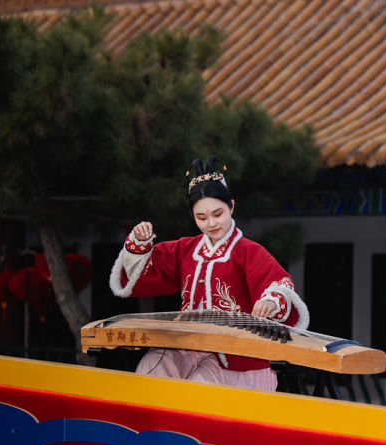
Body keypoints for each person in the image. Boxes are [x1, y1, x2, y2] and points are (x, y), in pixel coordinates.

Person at [109, 156, 309, 391]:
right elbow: (145, 274)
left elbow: (277, 282)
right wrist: (140, 244)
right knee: (152, 366)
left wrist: (270, 301)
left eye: (218, 214)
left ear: (232, 206)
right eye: (201, 218)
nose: (211, 223)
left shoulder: (248, 252)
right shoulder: (186, 249)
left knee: (200, 386)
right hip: (189, 344)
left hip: (236, 356)